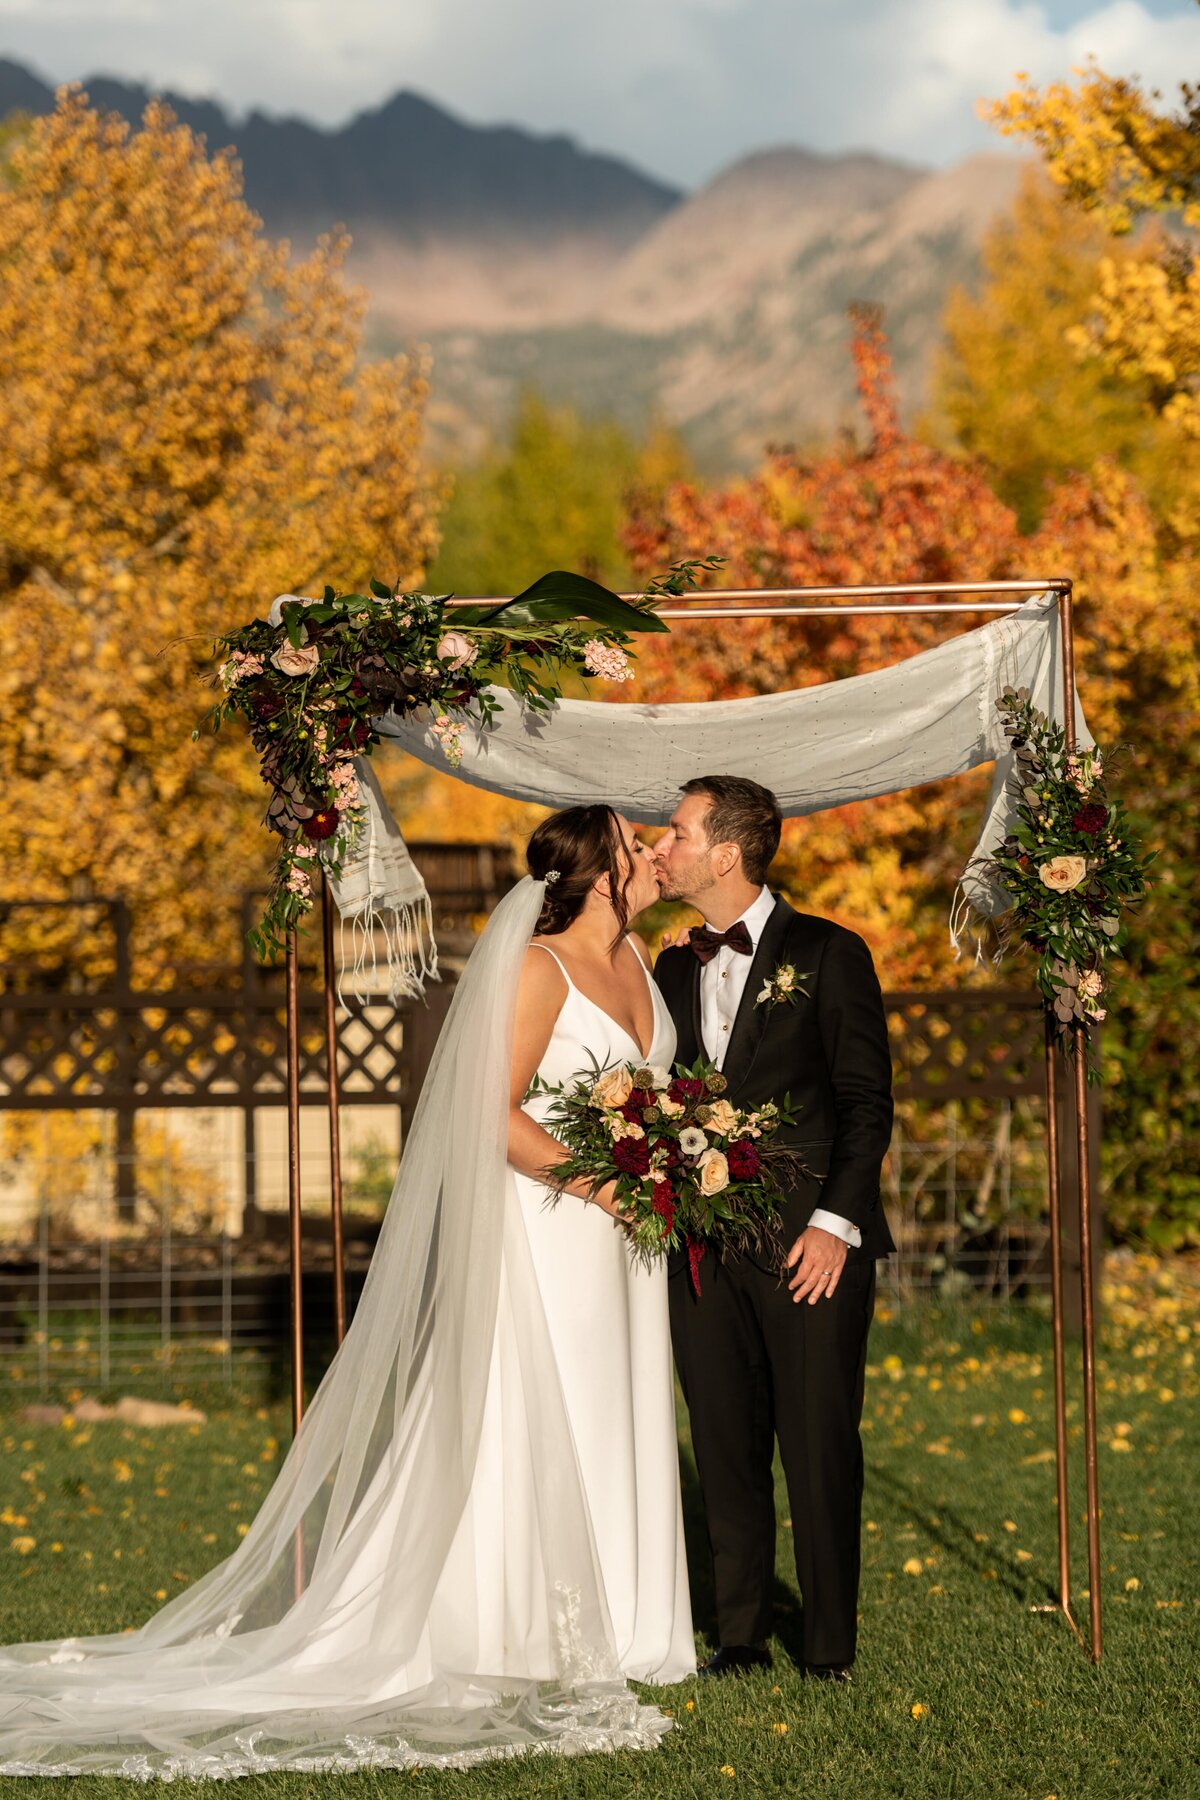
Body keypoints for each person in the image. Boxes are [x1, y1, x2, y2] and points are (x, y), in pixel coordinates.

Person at [0, 806, 693, 1780]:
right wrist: (604, 1182)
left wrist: (663, 1164)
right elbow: (489, 1112)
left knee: (617, 1413)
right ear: (596, 869)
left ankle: (629, 1624)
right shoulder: (542, 969)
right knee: (550, 1415)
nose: (659, 848)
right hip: (555, 1231)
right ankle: (521, 1629)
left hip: (626, 1241)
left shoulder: (643, 968)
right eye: (638, 840)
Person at [654, 774, 894, 1682]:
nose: (661, 846)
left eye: (675, 832)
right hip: (701, 1252)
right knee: (722, 1440)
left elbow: (868, 1106)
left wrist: (836, 1226)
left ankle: (829, 1647)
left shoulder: (832, 953)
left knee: (819, 1440)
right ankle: (742, 1635)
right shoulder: (673, 964)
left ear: (726, 851)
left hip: (810, 1250)